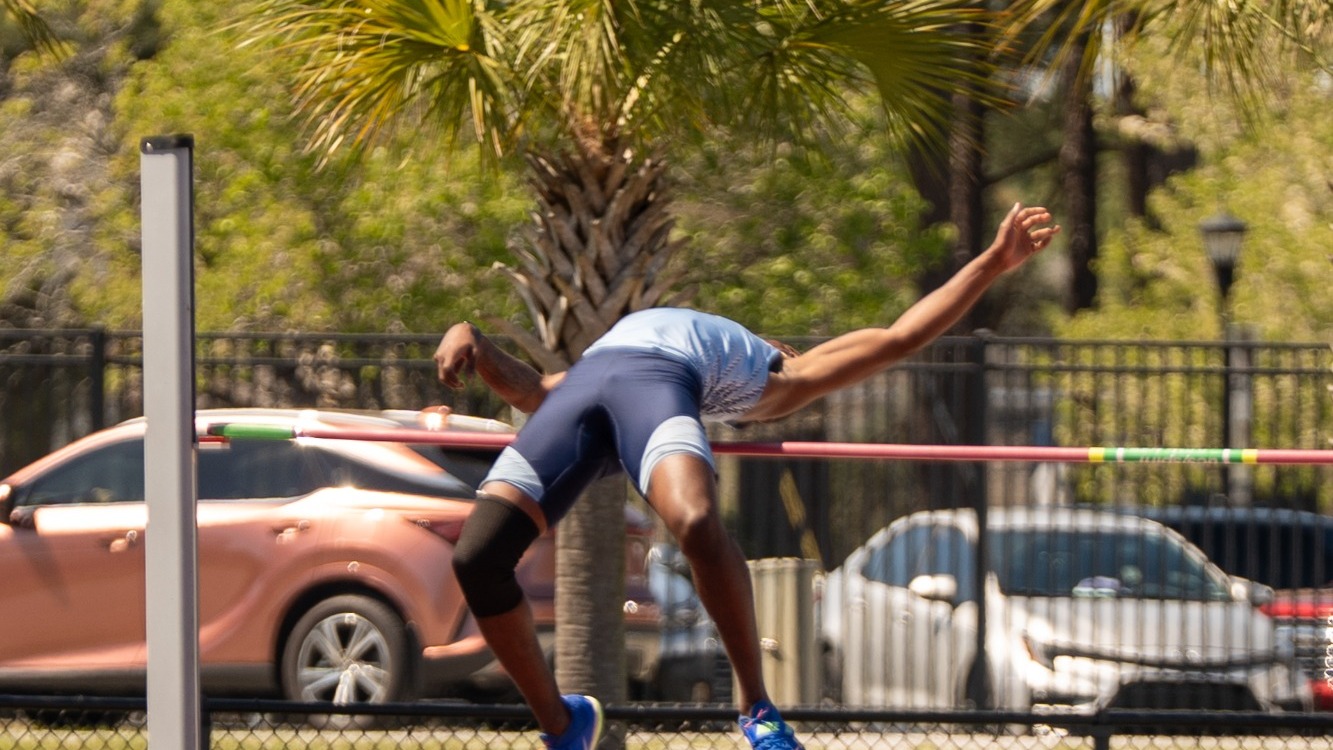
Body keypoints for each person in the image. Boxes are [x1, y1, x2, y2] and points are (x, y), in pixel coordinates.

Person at [433, 202, 1059, 750]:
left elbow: (900, 336)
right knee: (478, 557)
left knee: (698, 522)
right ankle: (563, 725)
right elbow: (538, 391)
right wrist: (477, 342)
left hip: (652, 384)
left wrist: (992, 263)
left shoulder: (787, 380)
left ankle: (756, 706)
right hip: (592, 384)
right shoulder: (737, 353)